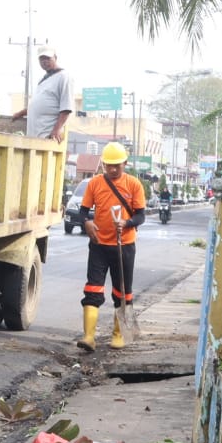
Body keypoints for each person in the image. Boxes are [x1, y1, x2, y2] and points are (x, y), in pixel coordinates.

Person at [77, 142, 147, 352]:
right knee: (93, 289)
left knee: (123, 292)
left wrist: (127, 223)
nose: (113, 169)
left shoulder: (134, 185)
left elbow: (141, 215)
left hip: (124, 246)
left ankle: (119, 335)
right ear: (103, 165)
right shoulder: (95, 183)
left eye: (117, 165)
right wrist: (87, 222)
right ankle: (89, 337)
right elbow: (83, 211)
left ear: (125, 163)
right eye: (109, 165)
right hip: (99, 245)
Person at [10, 45, 74, 143]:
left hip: (48, 136)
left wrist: (56, 130)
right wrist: (20, 113)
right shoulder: (42, 79)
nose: (44, 62)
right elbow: (37, 104)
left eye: (48, 58)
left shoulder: (64, 77)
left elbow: (66, 108)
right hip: (34, 137)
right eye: (42, 59)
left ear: (55, 58)